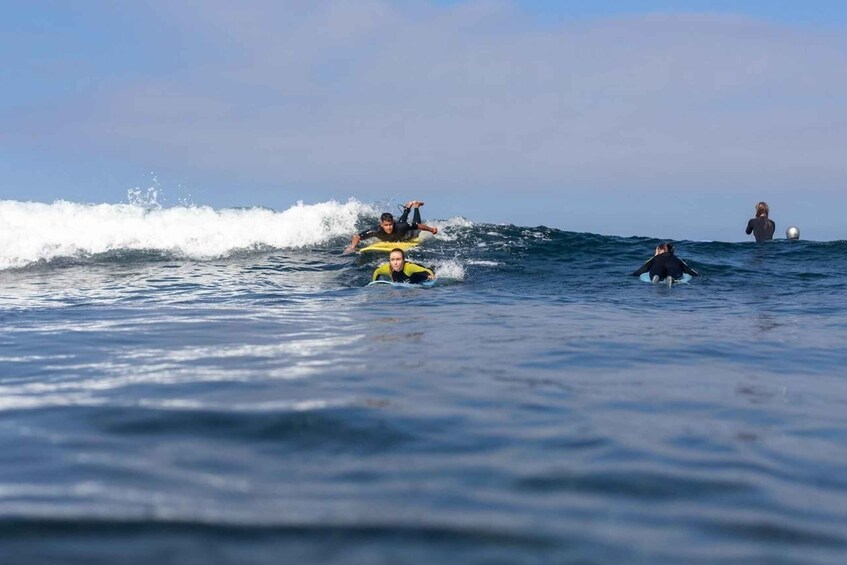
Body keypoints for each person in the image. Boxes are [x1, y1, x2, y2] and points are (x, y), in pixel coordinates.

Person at [344, 201, 438, 253]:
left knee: (414, 228)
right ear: (381, 224)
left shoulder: (400, 226)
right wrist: (352, 247)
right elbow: (357, 237)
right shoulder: (376, 231)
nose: (389, 227)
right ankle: (407, 208)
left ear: (393, 222)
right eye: (386, 225)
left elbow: (418, 226)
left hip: (408, 236)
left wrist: (431, 229)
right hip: (398, 232)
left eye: (390, 224)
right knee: (401, 223)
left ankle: (416, 206)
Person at [631, 242, 700, 283]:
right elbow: (689, 271)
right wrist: (698, 275)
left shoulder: (655, 258)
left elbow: (642, 270)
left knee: (656, 273)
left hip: (658, 266)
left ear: (660, 250)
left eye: (656, 251)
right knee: (672, 274)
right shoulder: (677, 259)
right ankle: (671, 278)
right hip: (673, 265)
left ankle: (656, 276)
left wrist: (632, 275)